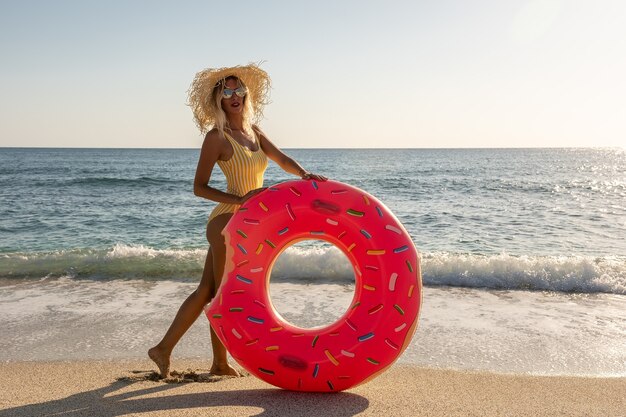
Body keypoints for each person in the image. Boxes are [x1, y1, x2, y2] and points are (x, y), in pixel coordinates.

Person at [149, 63, 326, 377]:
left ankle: (165, 350)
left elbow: (281, 158)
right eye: (227, 91)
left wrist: (303, 174)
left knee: (208, 289)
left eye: (239, 89)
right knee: (223, 294)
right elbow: (199, 187)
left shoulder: (254, 132)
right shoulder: (216, 137)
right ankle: (217, 363)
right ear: (219, 98)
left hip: (248, 224)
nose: (234, 96)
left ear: (247, 94)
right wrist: (241, 200)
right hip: (226, 224)